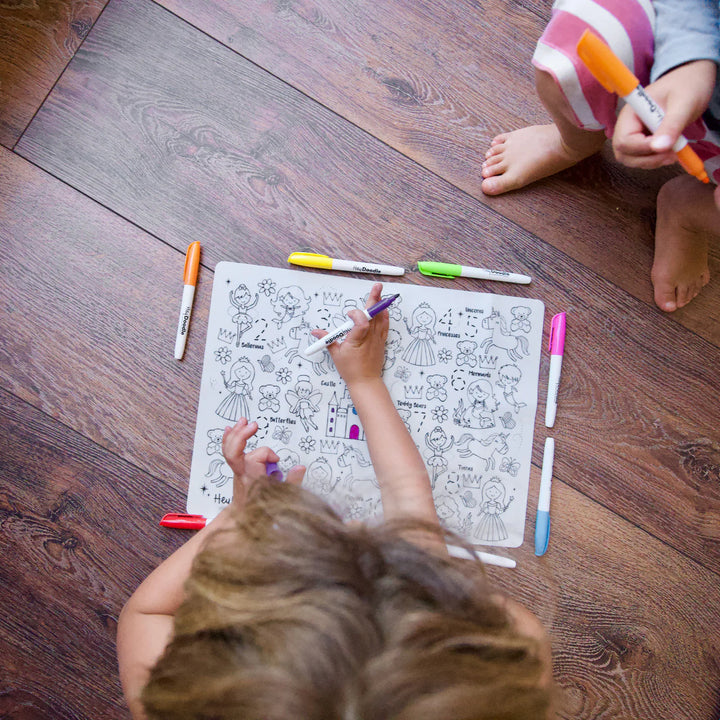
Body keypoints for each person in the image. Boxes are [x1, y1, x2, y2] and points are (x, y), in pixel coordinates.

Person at [117, 283, 555, 719]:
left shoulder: (183, 707)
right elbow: (409, 502)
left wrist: (245, 514)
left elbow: (145, 613)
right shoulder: (514, 661)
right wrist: (364, 381)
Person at [481, 0, 720, 313]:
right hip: (693, 46)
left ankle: (688, 211)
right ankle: (573, 141)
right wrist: (688, 60)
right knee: (585, 37)